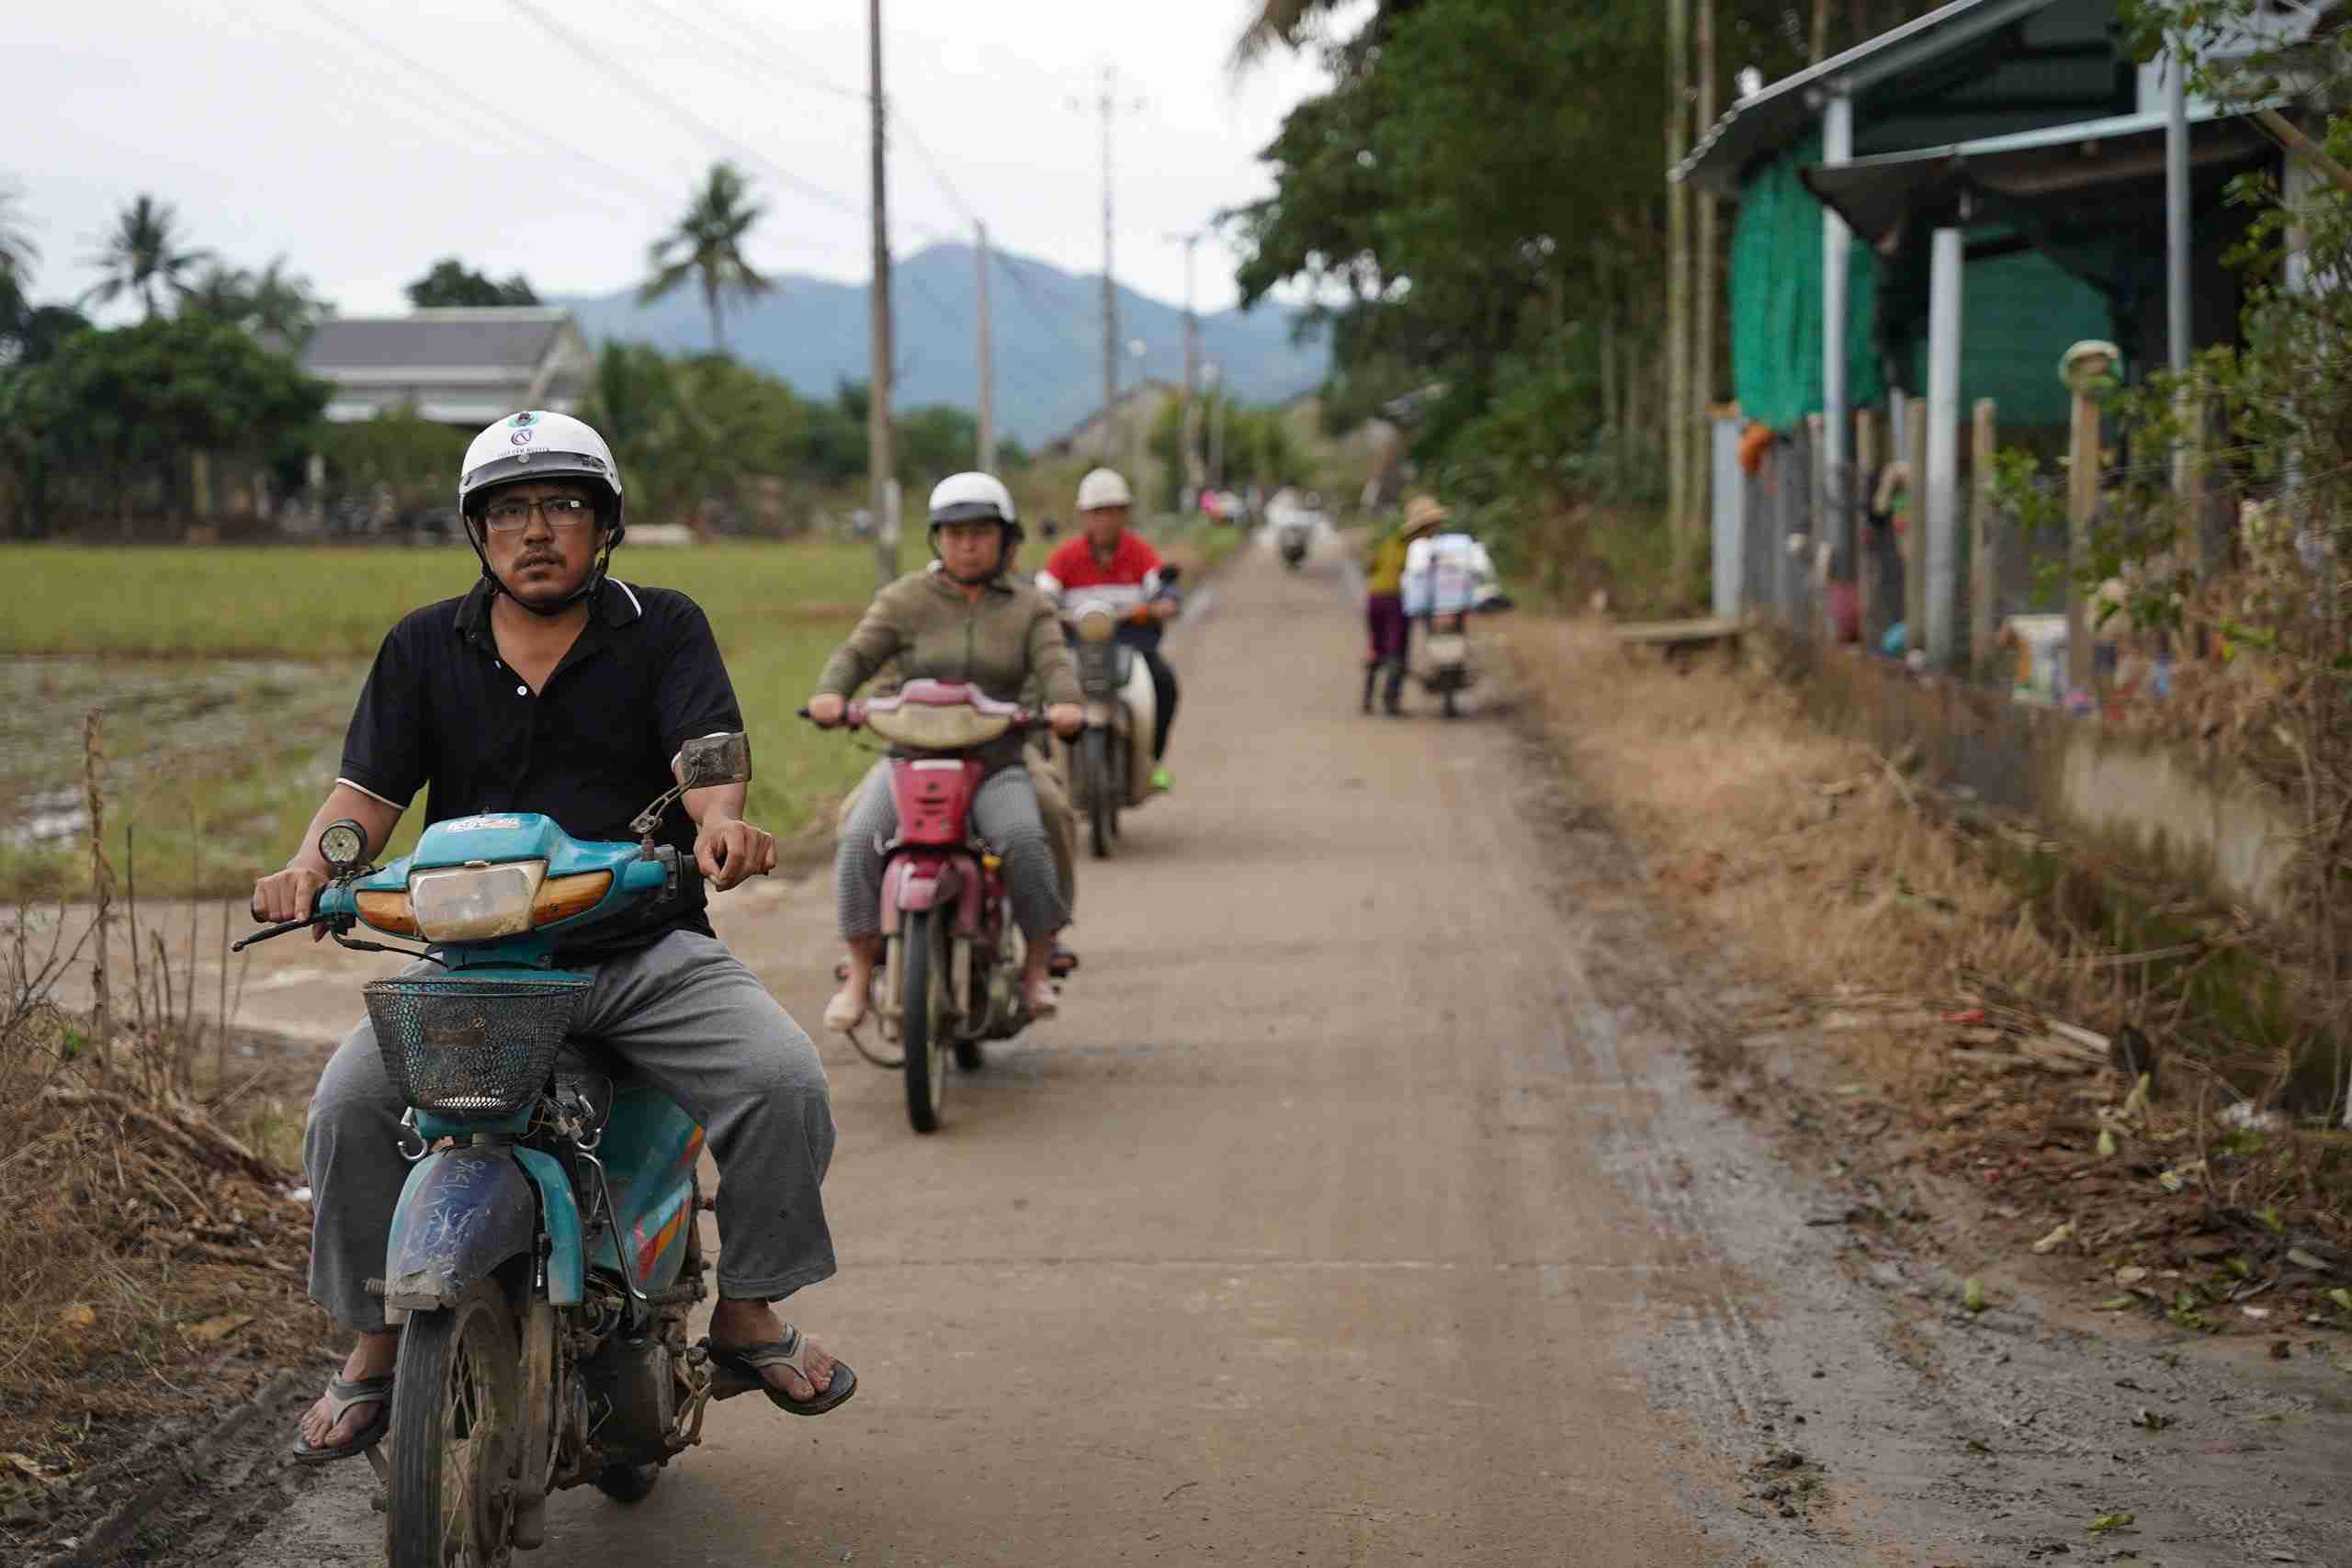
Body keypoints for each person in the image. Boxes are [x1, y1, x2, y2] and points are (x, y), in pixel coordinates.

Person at [257, 412, 850, 1464]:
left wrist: (718, 827)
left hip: (639, 951)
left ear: (605, 525)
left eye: (565, 507)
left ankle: (751, 1312)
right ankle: (372, 1345)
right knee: (347, 1109)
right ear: (477, 532)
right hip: (470, 968)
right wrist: (316, 864)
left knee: (781, 1079)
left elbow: (707, 761)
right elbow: (365, 797)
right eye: (511, 511)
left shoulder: (661, 623)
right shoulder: (422, 644)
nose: (539, 531)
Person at [810, 472, 1083, 1029]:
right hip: (911, 756)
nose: (967, 543)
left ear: (1006, 540)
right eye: (954, 532)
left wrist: (1065, 705)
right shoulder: (905, 598)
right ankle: (861, 973)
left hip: (997, 759)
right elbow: (857, 652)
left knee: (1035, 830)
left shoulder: (1030, 607)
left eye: (981, 532)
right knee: (859, 833)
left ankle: (1037, 961)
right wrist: (830, 693)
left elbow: (1055, 665)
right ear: (938, 539)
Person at [1037, 468, 1182, 789]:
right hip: (1076, 647)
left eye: (1113, 511)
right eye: (1097, 512)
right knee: (1037, 691)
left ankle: (1151, 762)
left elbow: (1162, 589)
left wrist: (1164, 603)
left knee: (1164, 683)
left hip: (1132, 646)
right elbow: (1042, 594)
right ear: (1084, 516)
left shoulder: (1140, 552)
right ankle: (1044, 768)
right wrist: (1043, 609)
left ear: (1124, 514)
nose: (1105, 520)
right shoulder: (1065, 557)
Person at [1361, 516, 1413, 716]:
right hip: (1395, 600)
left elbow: (1369, 567)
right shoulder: (1413, 550)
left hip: (1374, 598)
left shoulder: (1383, 545)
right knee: (1395, 650)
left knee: (1376, 646)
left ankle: (1367, 699)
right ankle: (1390, 702)